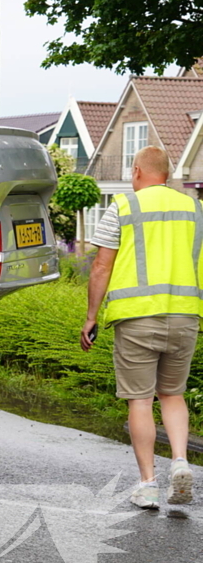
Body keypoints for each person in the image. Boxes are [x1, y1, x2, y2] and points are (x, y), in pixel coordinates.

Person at [81, 145, 199, 509]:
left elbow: (101, 266)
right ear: (167, 174)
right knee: (173, 394)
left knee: (140, 399)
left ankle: (148, 484)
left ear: (136, 172)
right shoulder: (195, 208)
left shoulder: (123, 206)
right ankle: (180, 460)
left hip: (136, 317)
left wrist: (91, 316)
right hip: (185, 314)